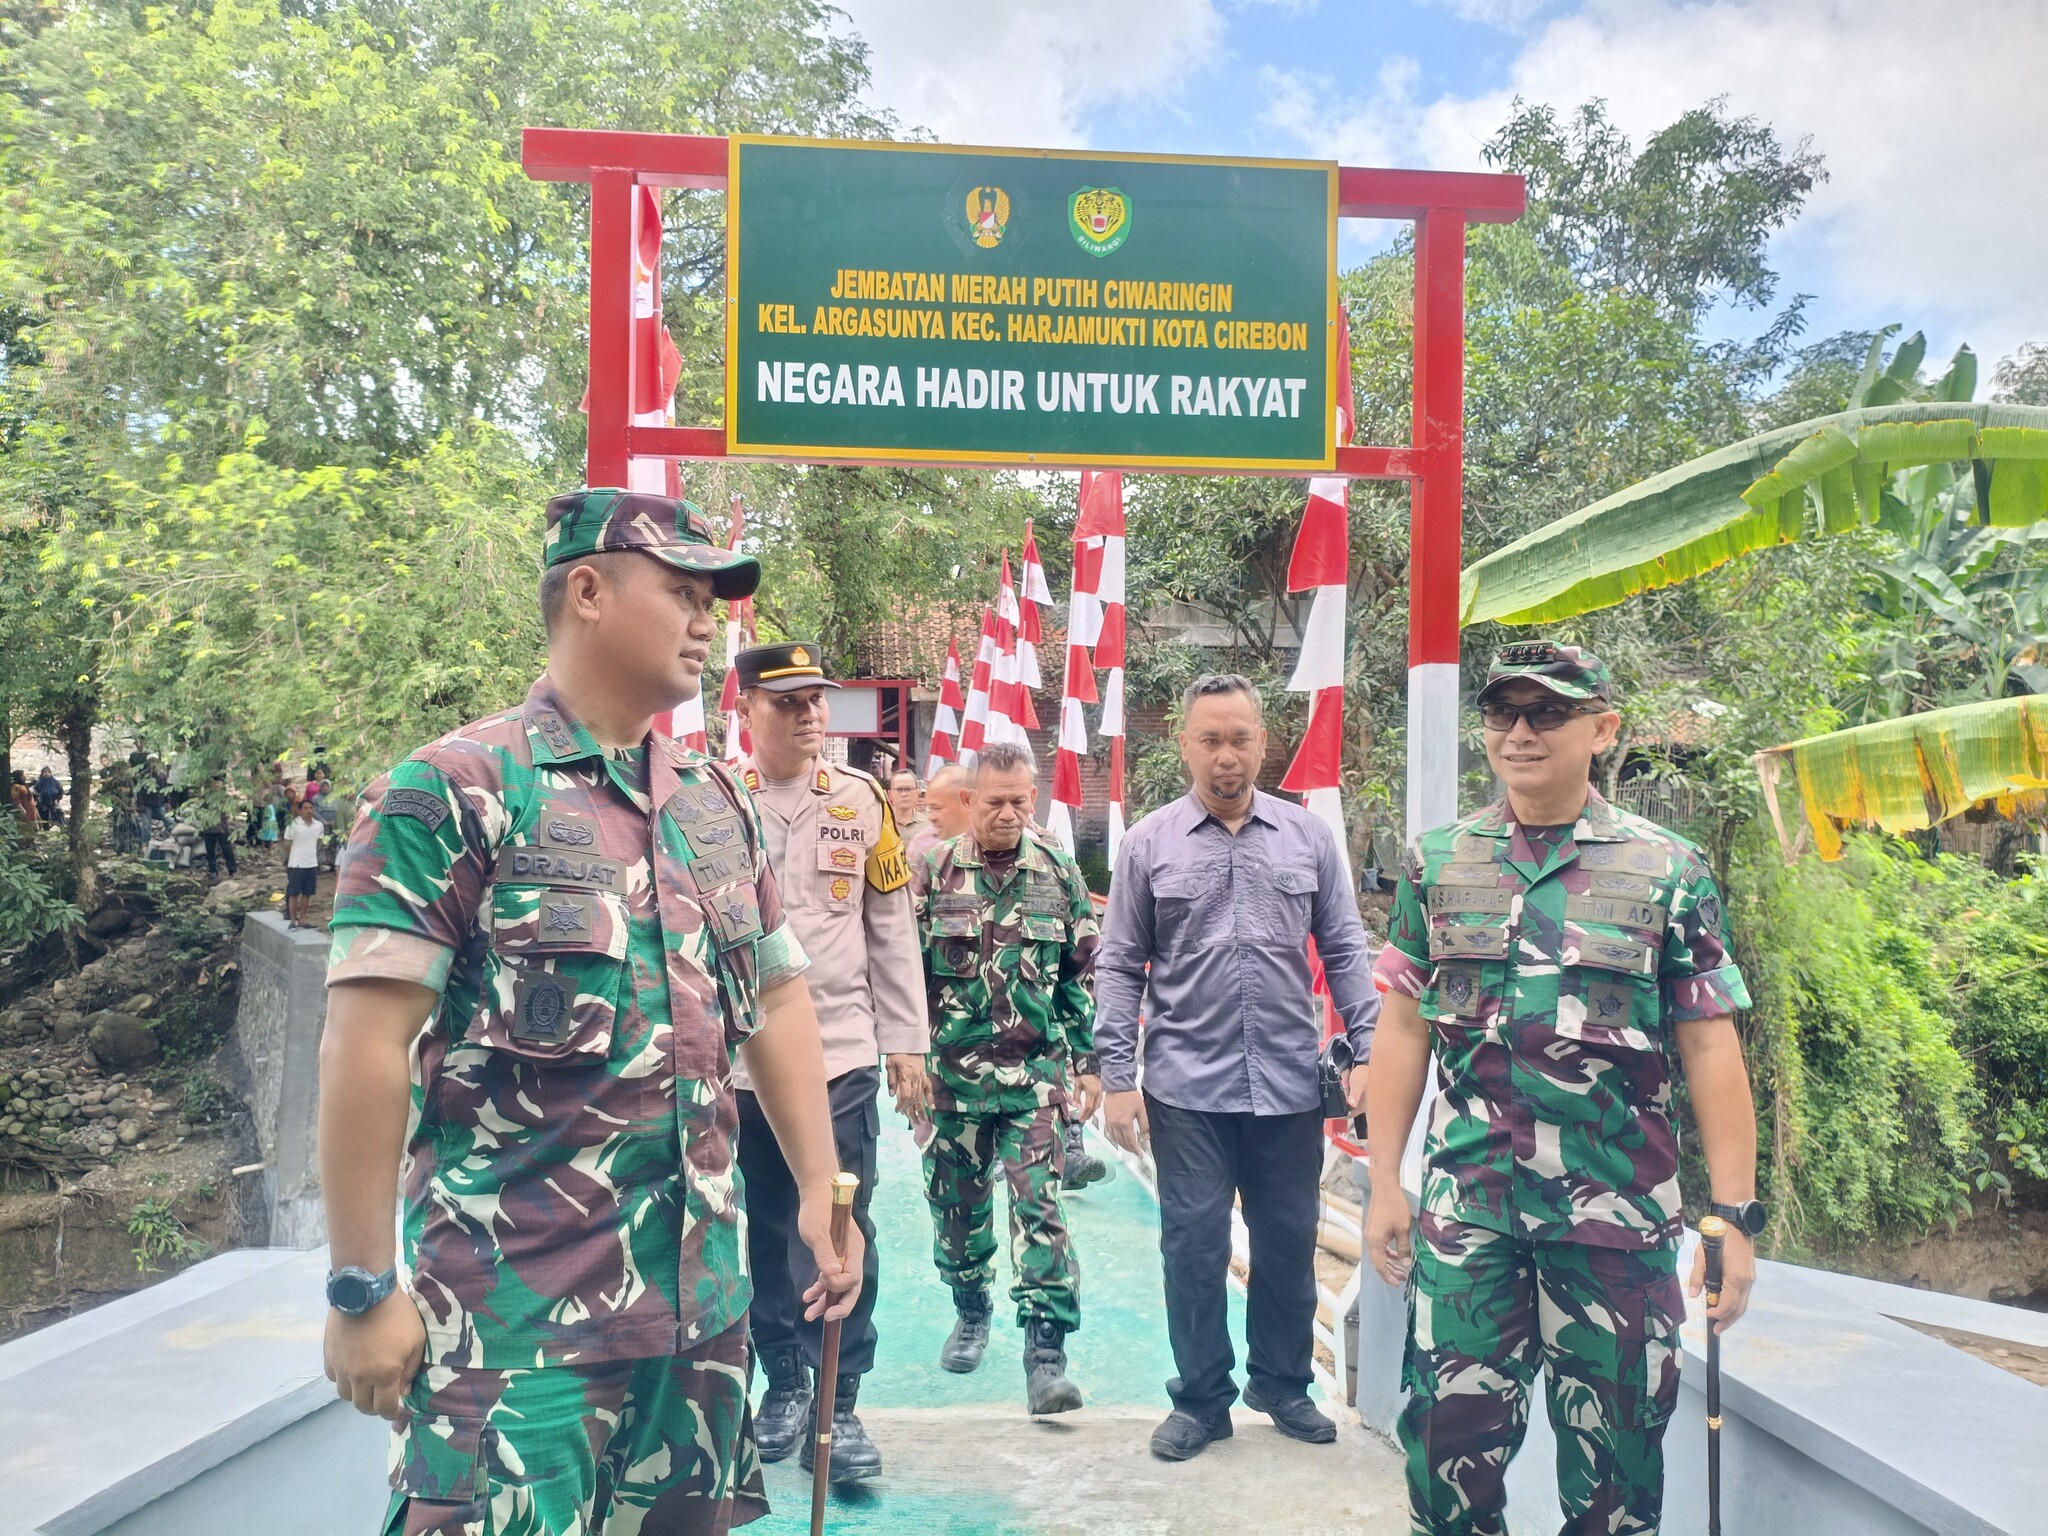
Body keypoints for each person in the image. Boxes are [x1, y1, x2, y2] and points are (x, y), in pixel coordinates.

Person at [318, 487, 860, 1536]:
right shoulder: (456, 790)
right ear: (587, 590)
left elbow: (779, 999)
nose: (709, 620)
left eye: (715, 598)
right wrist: (358, 1287)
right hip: (511, 1336)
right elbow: (365, 1045)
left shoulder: (714, 801)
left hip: (697, 1324)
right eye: (682, 591)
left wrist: (812, 1193)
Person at [1365, 642, 1762, 1536]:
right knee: (1442, 1458)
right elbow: (1402, 1027)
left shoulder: (1667, 869)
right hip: (1468, 1215)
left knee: (1616, 1481)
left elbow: (1708, 1045)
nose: (1520, 732)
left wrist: (1734, 1217)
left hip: (1614, 1227)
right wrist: (1386, 1180)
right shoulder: (1439, 863)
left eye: (1546, 713)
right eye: (1503, 713)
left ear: (1601, 729)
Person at [1095, 673, 1378, 1462]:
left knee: (1287, 1239)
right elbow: (1119, 966)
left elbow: (1346, 948)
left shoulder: (1307, 837)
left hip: (1289, 1082)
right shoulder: (1148, 844)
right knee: (1192, 1245)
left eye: (1241, 738)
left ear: (1264, 741)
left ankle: (1283, 1386)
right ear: (1184, 744)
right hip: (1186, 1085)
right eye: (1210, 739)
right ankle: (1201, 1400)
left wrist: (1370, 1050)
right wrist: (1118, 1078)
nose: (1227, 755)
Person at [730, 641, 930, 1485]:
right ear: (744, 711)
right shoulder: (711, 805)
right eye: (789, 703)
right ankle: (781, 1380)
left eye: (817, 700)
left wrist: (906, 1041)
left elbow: (889, 926)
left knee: (843, 1227)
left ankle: (839, 1402)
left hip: (839, 1050)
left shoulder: (862, 802)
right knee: (766, 1227)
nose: (811, 716)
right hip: (734, 1061)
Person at [911, 740, 1099, 1416]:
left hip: (1034, 1078)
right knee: (956, 1211)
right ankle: (970, 1305)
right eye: (996, 803)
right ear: (970, 801)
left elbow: (1082, 974)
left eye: (1022, 801)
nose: (1011, 814)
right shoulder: (931, 870)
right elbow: (904, 974)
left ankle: (1045, 1356)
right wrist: (902, 1060)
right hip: (950, 1081)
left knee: (1039, 1208)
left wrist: (1091, 1063)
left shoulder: (1057, 871)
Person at [905, 761, 970, 873]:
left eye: (937, 808)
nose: (931, 817)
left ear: (966, 801)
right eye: (930, 809)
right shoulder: (921, 846)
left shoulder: (1000, 842)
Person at [281, 797, 322, 927]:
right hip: (296, 863)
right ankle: (293, 920)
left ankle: (303, 920)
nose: (308, 811)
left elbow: (319, 842)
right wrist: (288, 858)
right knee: (294, 893)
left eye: (310, 808)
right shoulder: (293, 825)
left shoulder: (318, 825)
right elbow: (287, 843)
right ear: (300, 811)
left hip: (311, 863)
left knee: (307, 893)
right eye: (305, 808)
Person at [885, 767, 925, 839]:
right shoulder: (881, 824)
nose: (904, 794)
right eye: (899, 789)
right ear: (890, 794)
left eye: (909, 789)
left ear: (917, 793)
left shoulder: (929, 825)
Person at [8, 770, 37, 835]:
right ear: (20, 776)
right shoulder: (16, 786)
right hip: (24, 809)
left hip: (30, 810)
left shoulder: (25, 786)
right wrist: (21, 809)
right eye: (24, 774)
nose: (25, 776)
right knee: (24, 826)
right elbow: (15, 799)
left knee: (31, 825)